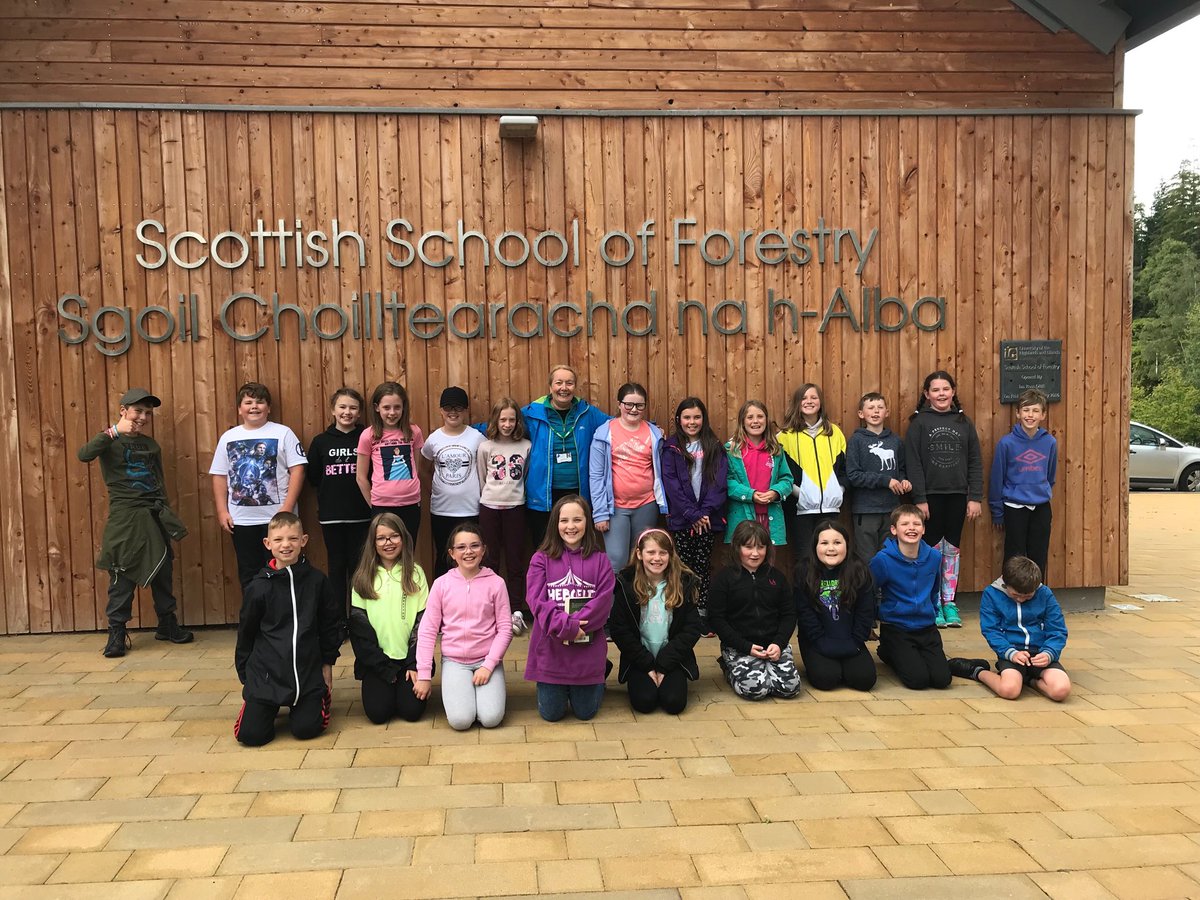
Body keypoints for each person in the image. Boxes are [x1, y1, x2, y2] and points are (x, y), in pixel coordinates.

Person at [78, 387, 193, 657]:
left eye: (147, 413)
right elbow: (84, 454)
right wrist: (114, 431)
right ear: (123, 411)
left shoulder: (151, 445)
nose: (142, 417)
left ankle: (167, 624)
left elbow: (159, 479)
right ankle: (117, 631)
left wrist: (166, 512)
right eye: (138, 411)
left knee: (163, 569)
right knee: (123, 570)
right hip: (126, 516)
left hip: (154, 513)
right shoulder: (109, 440)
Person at [233, 512, 342, 746]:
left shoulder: (317, 581)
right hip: (267, 677)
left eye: (293, 539)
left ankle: (312, 700)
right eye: (279, 539)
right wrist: (246, 674)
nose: (286, 545)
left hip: (306, 675)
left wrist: (327, 665)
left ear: (303, 541)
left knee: (306, 729)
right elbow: (247, 632)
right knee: (251, 736)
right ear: (268, 543)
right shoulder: (258, 587)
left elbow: (329, 625)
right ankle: (264, 706)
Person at [524, 494, 615, 721]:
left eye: (577, 520)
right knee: (551, 714)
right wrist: (566, 627)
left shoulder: (601, 560)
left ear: (587, 522)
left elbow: (603, 602)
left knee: (586, 712)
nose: (571, 526)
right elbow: (537, 601)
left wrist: (576, 626)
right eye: (564, 520)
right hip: (551, 651)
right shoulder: (540, 559)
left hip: (587, 649)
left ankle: (599, 672)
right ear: (555, 524)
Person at [210, 382, 307, 593]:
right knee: (249, 573)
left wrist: (287, 508)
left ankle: (284, 622)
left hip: (278, 518)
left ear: (269, 407)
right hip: (242, 519)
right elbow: (219, 475)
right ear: (239, 408)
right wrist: (222, 510)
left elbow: (298, 470)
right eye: (248, 402)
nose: (254, 406)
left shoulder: (284, 433)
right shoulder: (229, 438)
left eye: (260, 402)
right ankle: (255, 623)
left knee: (283, 571)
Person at [414, 523, 513, 729]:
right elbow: (427, 630)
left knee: (491, 718)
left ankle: (482, 695)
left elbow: (505, 629)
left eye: (474, 546)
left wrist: (488, 665)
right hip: (455, 661)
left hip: (487, 660)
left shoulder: (496, 583)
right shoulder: (441, 584)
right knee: (460, 721)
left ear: (483, 550)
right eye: (461, 547)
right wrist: (423, 675)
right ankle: (467, 696)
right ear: (452, 553)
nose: (468, 552)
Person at [904, 371, 983, 628]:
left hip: (958, 496)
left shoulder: (964, 422)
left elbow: (975, 461)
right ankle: (933, 602)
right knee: (931, 550)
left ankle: (949, 602)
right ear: (927, 394)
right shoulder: (918, 424)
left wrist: (975, 497)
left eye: (945, 389)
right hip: (930, 498)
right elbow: (913, 463)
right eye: (935, 390)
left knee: (952, 550)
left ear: (953, 392)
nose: (941, 394)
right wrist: (920, 498)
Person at [949, 556, 1071, 702]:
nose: (1021, 600)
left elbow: (1057, 629)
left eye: (1028, 596)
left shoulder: (1044, 593)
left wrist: (1049, 653)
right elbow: (991, 630)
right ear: (1005, 583)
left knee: (1061, 691)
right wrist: (1010, 653)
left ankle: (1029, 680)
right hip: (1012, 652)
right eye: (1016, 595)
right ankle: (977, 671)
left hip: (1041, 653)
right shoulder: (992, 594)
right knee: (1009, 691)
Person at [348, 513, 430, 724]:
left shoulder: (416, 573)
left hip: (408, 661)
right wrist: (383, 668)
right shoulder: (362, 577)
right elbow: (359, 630)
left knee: (411, 712)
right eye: (381, 538)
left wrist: (415, 664)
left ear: (403, 538)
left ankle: (403, 686)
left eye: (394, 536)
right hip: (377, 662)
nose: (388, 543)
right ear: (373, 543)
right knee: (378, 714)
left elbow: (423, 624)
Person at [609, 528, 702, 714]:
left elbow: (692, 628)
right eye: (651, 552)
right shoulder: (625, 584)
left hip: (672, 658)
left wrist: (663, 665)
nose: (657, 558)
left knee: (674, 703)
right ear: (639, 554)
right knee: (644, 702)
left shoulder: (683, 583)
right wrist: (648, 665)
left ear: (671, 555)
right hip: (640, 658)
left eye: (663, 553)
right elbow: (619, 629)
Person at [708, 520, 801, 700]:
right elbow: (717, 619)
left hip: (774, 646)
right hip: (740, 647)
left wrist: (779, 643)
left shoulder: (777, 577)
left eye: (761, 547)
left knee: (790, 688)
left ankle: (766, 668)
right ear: (737, 548)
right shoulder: (724, 579)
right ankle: (729, 669)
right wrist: (745, 647)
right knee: (756, 690)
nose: (755, 553)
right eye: (748, 547)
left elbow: (789, 615)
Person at [521, 364, 610, 546]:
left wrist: (650, 428)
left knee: (577, 545)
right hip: (543, 494)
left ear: (575, 387)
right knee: (545, 545)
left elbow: (616, 426)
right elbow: (502, 423)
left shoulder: (587, 413)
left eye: (569, 383)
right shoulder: (531, 413)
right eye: (558, 383)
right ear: (550, 387)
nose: (564, 388)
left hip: (578, 492)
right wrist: (469, 430)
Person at [659, 397, 728, 632]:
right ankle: (682, 612)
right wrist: (691, 514)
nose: (692, 422)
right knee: (682, 567)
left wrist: (704, 513)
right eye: (687, 417)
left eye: (696, 417)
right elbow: (671, 484)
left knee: (702, 565)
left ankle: (701, 612)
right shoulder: (671, 447)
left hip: (707, 520)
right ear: (679, 419)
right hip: (682, 520)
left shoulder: (714, 445)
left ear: (703, 419)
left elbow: (719, 482)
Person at [868, 504, 951, 690]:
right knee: (918, 681)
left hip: (926, 628)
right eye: (904, 524)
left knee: (941, 680)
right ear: (894, 530)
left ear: (923, 529)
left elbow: (934, 590)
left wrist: (932, 612)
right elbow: (868, 591)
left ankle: (915, 656)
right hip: (897, 627)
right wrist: (870, 620)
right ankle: (888, 650)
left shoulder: (934, 557)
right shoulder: (883, 560)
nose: (911, 528)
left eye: (916, 524)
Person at [590, 382, 668, 573]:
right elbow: (596, 475)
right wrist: (600, 512)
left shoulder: (654, 433)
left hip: (646, 504)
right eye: (629, 404)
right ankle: (617, 603)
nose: (634, 409)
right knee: (617, 560)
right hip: (615, 508)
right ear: (619, 404)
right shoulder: (603, 433)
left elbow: (660, 469)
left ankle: (641, 602)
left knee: (643, 559)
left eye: (639, 405)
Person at [306, 388, 372, 606]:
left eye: (353, 408)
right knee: (336, 567)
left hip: (361, 515)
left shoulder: (367, 437)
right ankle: (337, 623)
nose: (347, 412)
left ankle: (356, 617)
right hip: (331, 516)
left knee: (358, 568)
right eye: (342, 407)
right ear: (333, 410)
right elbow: (314, 477)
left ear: (360, 412)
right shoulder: (320, 442)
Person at [794, 520, 877, 692]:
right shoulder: (804, 571)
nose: (831, 548)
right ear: (815, 546)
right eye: (824, 543)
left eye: (837, 542)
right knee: (826, 679)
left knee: (864, 680)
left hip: (851, 638)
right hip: (818, 640)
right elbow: (804, 613)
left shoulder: (859, 570)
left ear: (847, 545)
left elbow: (866, 610)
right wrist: (820, 641)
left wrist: (856, 641)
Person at [477, 397, 533, 635]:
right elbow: (482, 477)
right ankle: (490, 611)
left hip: (516, 507)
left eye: (512, 419)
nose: (507, 424)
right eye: (503, 419)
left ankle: (516, 611)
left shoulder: (526, 446)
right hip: (490, 506)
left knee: (515, 561)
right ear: (495, 420)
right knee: (489, 561)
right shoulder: (486, 447)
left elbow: (526, 476)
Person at [988, 388, 1057, 580]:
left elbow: (1050, 476)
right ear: (1018, 413)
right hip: (1014, 508)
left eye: (1035, 411)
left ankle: (1036, 597)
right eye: (1026, 410)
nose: (1030, 415)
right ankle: (1012, 597)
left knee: (1039, 556)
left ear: (1043, 415)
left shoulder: (1050, 443)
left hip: (1041, 508)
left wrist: (1040, 492)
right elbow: (997, 479)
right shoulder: (1006, 443)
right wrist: (997, 512)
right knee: (1014, 556)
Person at [422, 386, 485, 577]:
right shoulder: (434, 439)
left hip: (470, 509)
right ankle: (442, 603)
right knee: (444, 557)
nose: (453, 412)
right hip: (441, 510)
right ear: (441, 410)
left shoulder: (477, 437)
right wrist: (434, 492)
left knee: (470, 557)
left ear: (465, 411)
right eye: (448, 407)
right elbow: (423, 470)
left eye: (458, 408)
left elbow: (484, 469)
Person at [778, 383, 847, 556]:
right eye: (804, 398)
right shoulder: (785, 436)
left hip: (830, 509)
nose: (809, 401)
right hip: (800, 509)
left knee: (829, 557)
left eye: (814, 397)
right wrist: (799, 494)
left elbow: (845, 469)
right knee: (806, 558)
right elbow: (779, 473)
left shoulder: (835, 432)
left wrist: (839, 490)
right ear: (797, 403)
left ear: (820, 402)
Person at [845, 391, 911, 563]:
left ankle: (887, 590)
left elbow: (902, 469)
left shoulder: (895, 441)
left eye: (880, 408)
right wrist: (885, 480)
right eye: (871, 408)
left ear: (886, 412)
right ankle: (869, 590)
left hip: (891, 510)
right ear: (861, 414)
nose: (875, 412)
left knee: (890, 555)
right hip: (865, 511)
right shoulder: (856, 441)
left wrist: (904, 481)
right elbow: (853, 475)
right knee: (867, 558)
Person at [356, 381, 424, 543]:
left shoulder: (414, 431)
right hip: (382, 505)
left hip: (411, 503)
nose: (392, 412)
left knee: (408, 550)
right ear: (377, 407)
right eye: (387, 407)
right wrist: (374, 503)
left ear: (404, 407)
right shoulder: (368, 435)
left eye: (397, 407)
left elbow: (416, 467)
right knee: (384, 551)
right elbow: (360, 476)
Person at [725, 400, 793, 548]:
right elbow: (727, 481)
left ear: (766, 420)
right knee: (742, 561)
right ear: (742, 422)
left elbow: (787, 479)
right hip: (742, 516)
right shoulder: (731, 450)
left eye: (760, 416)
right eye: (750, 417)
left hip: (770, 517)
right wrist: (751, 494)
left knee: (767, 561)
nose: (755, 421)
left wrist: (776, 492)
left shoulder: (776, 450)